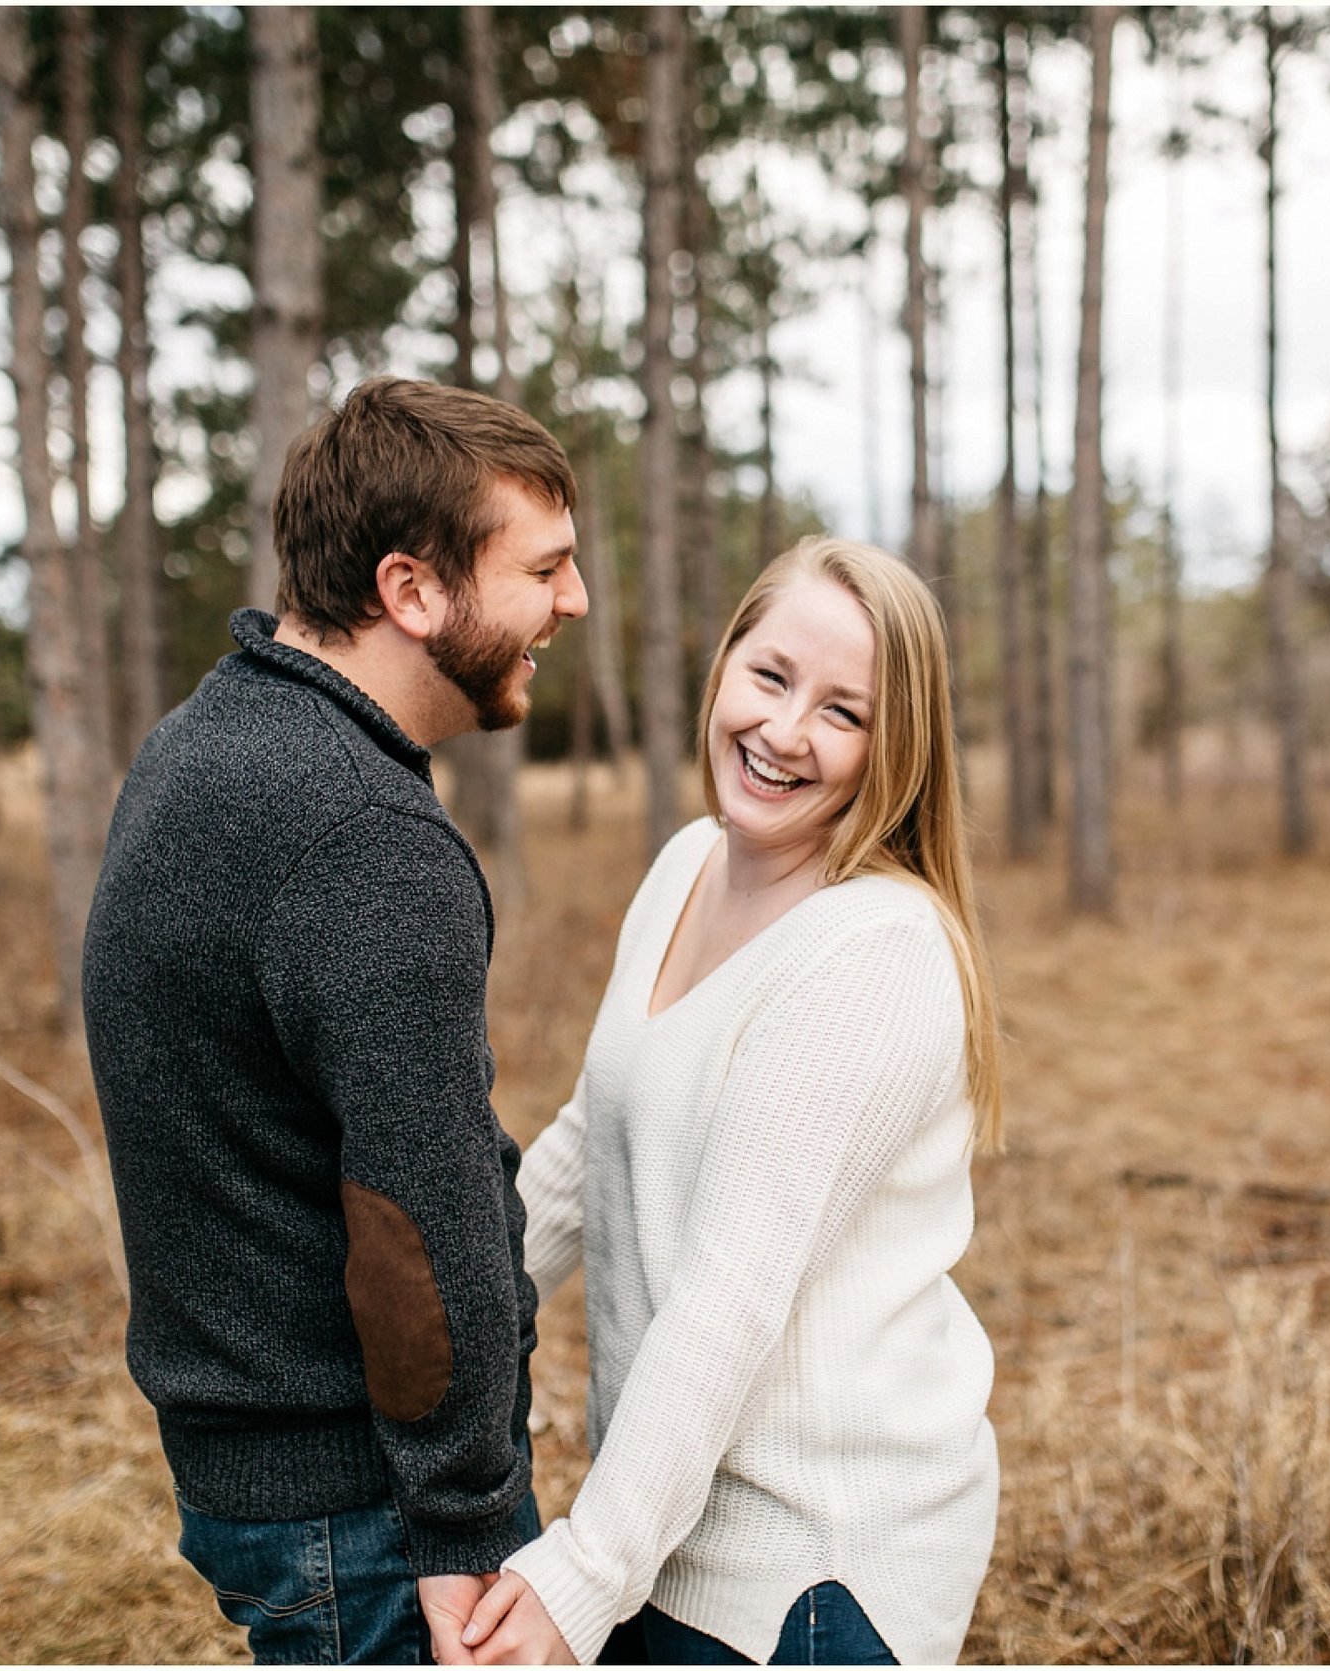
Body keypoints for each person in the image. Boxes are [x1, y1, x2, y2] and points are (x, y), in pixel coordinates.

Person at [84, 377, 588, 1664]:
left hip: (261, 1473)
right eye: (543, 570)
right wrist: (464, 1523)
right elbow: (419, 1218)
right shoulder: (361, 838)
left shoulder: (209, 739)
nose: (571, 605)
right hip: (364, 1513)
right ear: (414, 591)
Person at [458, 537, 1004, 1666]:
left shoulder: (873, 952)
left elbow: (732, 1297)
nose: (786, 730)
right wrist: (448, 1307)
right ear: (725, 665)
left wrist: (585, 1574)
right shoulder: (687, 867)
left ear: (891, 748)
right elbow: (595, 1137)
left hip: (806, 1567)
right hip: (672, 1522)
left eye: (843, 712)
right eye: (770, 676)